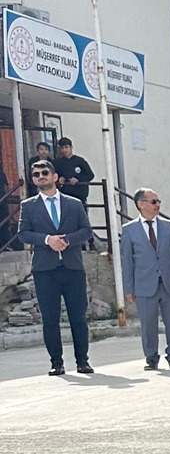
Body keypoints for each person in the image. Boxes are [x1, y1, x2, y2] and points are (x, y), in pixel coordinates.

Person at [17, 153, 94, 376]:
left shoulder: (74, 203)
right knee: (50, 319)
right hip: (45, 270)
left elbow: (86, 231)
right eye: (36, 174)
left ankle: (82, 361)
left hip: (72, 268)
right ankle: (56, 363)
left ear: (55, 176)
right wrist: (47, 240)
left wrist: (67, 240)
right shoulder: (28, 206)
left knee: (78, 317)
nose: (40, 176)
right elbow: (23, 233)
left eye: (44, 173)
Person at [120, 188, 170, 370]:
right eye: (153, 202)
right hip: (144, 285)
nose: (157, 205)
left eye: (158, 201)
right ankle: (151, 358)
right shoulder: (129, 230)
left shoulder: (169, 227)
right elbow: (127, 262)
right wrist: (129, 288)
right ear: (141, 204)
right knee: (148, 325)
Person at [52, 138, 94, 206]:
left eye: (66, 147)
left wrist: (78, 180)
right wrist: (59, 179)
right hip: (64, 195)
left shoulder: (80, 161)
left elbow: (90, 175)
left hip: (79, 195)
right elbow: (53, 176)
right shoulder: (58, 163)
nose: (64, 150)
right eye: (62, 148)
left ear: (71, 147)